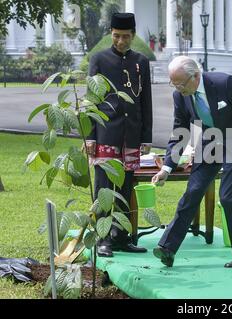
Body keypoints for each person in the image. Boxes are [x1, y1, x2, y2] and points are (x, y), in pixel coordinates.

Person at [151, 56, 232, 268]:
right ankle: (167, 248)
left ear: (195, 76)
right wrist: (167, 167)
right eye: (173, 83)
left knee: (228, 197)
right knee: (193, 191)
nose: (177, 88)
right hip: (211, 143)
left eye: (180, 83)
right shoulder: (181, 96)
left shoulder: (225, 83)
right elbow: (180, 131)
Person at [86, 13, 153, 257]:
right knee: (104, 187)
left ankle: (122, 237)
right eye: (116, 36)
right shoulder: (99, 59)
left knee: (125, 187)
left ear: (133, 35)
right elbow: (91, 100)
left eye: (126, 36)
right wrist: (91, 136)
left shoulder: (141, 61)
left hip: (132, 135)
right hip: (106, 133)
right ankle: (103, 238)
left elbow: (146, 101)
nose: (121, 41)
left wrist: (146, 136)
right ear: (110, 34)